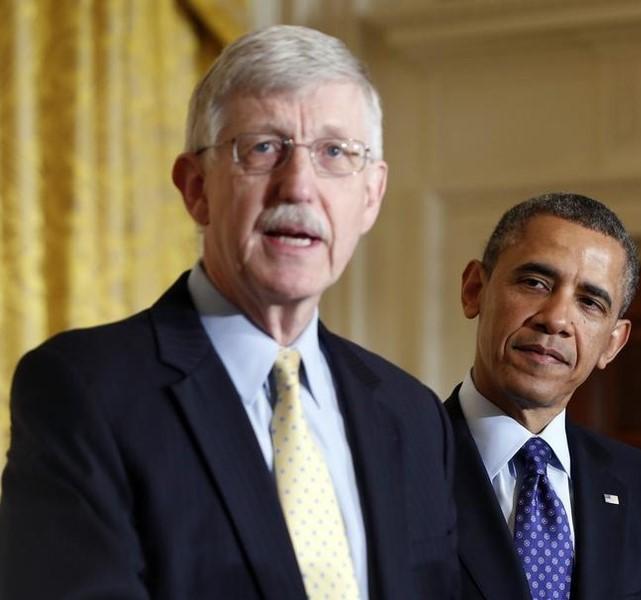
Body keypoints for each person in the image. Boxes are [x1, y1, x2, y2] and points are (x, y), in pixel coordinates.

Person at [0, 26, 457, 600]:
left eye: (334, 153)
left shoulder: (413, 416)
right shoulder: (85, 391)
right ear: (196, 188)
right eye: (263, 148)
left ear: (370, 195)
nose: (299, 186)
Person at [447, 192, 641, 599]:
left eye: (589, 302)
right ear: (474, 290)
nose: (555, 320)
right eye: (535, 282)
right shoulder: (393, 463)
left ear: (612, 343)